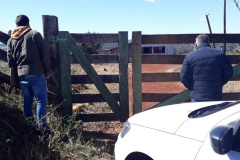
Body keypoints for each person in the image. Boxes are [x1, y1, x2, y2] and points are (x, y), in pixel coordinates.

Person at [7, 15, 51, 130]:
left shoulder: (11, 40)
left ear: (16, 25)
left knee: (27, 100)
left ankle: (30, 127)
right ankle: (43, 129)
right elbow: (45, 54)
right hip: (36, 72)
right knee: (41, 101)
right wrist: (47, 70)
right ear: (28, 23)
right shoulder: (34, 34)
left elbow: (10, 62)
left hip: (22, 75)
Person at [180, 34, 233, 102]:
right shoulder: (220, 54)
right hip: (215, 94)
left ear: (196, 44)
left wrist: (193, 88)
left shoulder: (189, 57)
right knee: (215, 112)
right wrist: (219, 83)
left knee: (197, 112)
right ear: (208, 42)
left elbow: (184, 77)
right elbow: (229, 72)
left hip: (197, 95)